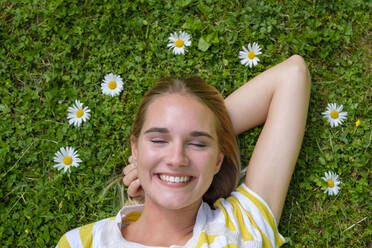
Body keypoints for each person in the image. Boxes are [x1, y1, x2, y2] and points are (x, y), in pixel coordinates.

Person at [56, 55, 311, 248]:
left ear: (218, 161)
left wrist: (209, 125)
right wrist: (151, 164)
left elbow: (292, 74)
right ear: (135, 148)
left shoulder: (244, 225)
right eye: (158, 140)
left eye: (198, 144)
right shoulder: (81, 243)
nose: (176, 159)